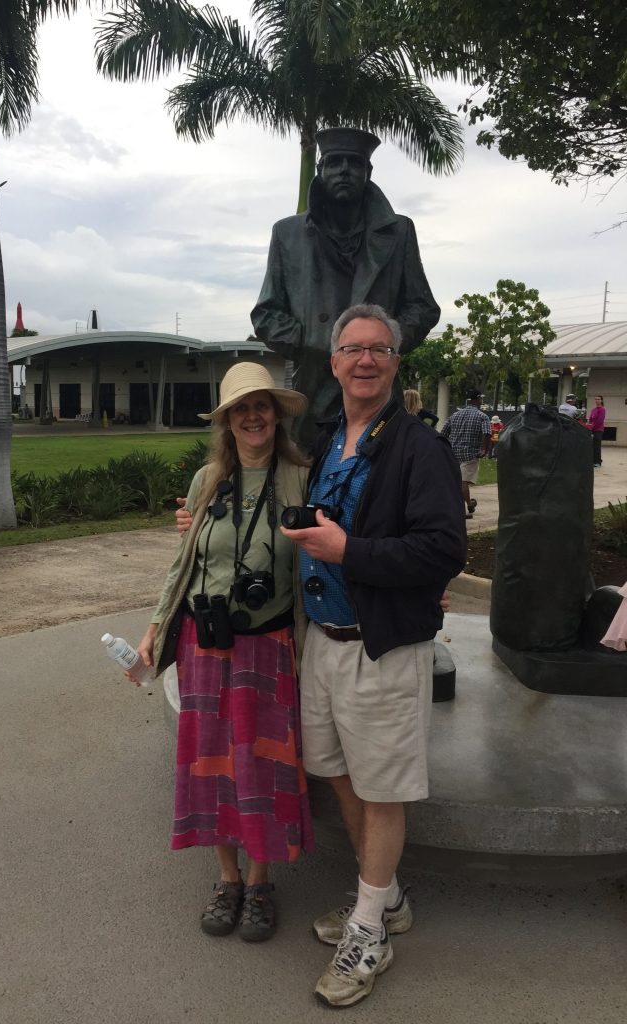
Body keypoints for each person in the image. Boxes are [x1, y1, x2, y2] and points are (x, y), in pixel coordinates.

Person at [280, 303, 466, 1007]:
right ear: (334, 363)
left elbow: (444, 549)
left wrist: (347, 551)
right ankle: (384, 898)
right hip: (322, 644)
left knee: (381, 790)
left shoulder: (420, 447)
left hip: (380, 648)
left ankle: (367, 931)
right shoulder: (331, 438)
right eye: (352, 348)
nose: (364, 360)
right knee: (341, 777)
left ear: (395, 362)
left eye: (378, 349)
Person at [133, 363, 314, 943]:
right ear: (228, 421)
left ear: (276, 414)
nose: (253, 417)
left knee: (260, 764)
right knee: (210, 761)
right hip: (205, 644)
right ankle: (226, 879)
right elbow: (183, 563)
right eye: (241, 409)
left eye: (262, 406)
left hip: (269, 643)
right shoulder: (207, 479)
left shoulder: (300, 478)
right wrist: (157, 624)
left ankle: (260, 883)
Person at [251, 127, 440, 447]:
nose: (343, 170)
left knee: (382, 480)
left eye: (353, 163)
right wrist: (309, 340)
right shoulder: (288, 233)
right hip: (314, 388)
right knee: (309, 481)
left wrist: (382, 345)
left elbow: (422, 307)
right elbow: (266, 313)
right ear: (321, 169)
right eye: (334, 162)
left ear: (367, 172)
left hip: (376, 386)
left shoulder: (400, 232)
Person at [440, 390, 491, 518]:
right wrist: (484, 450)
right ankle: (468, 504)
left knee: (454, 482)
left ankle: (460, 505)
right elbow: (487, 433)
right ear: (477, 400)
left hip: (453, 453)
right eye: (481, 399)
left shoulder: (455, 416)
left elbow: (443, 434)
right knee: (463, 482)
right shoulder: (482, 416)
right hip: (470, 454)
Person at [588, 394, 606, 466]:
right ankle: (593, 461)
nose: (597, 400)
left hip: (598, 430)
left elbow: (600, 420)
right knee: (592, 446)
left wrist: (593, 427)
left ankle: (598, 462)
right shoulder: (593, 409)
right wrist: (589, 426)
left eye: (598, 399)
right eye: (596, 399)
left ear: (601, 400)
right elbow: (590, 419)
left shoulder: (602, 409)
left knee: (597, 446)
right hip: (592, 429)